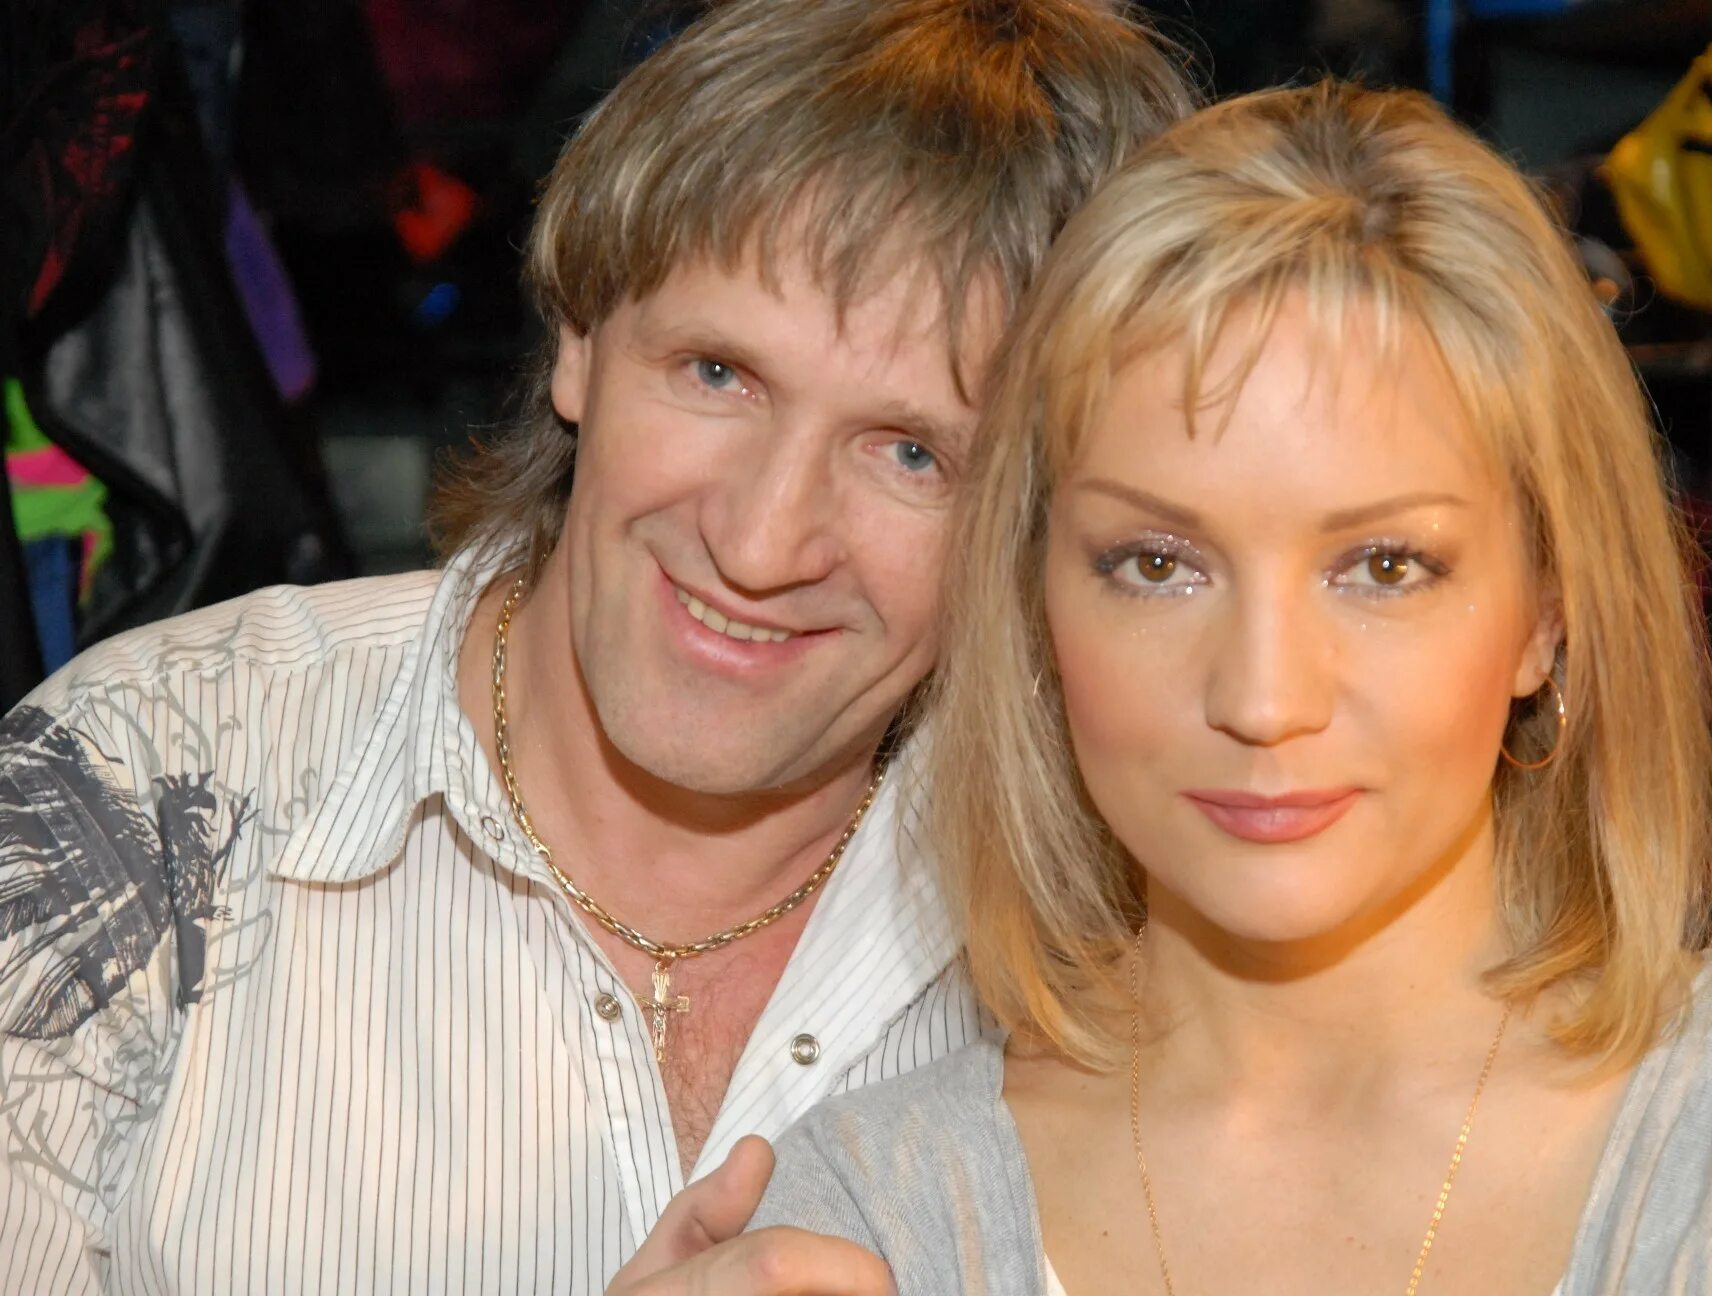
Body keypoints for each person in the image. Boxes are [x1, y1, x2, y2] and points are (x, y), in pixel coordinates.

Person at [0, 3, 1195, 1292]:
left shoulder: (1133, 916)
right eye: (718, 374)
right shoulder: (124, 803)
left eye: (913, 453)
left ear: (1038, 512)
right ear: (578, 338)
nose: (761, 541)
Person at [747, 81, 1712, 1293]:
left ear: (1547, 608)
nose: (1264, 701)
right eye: (1157, 565)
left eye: (1382, 567)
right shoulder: (866, 1218)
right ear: (1037, 604)